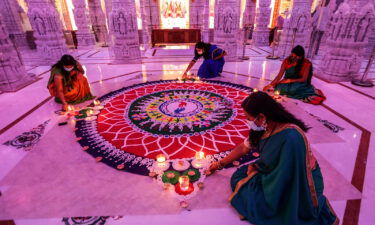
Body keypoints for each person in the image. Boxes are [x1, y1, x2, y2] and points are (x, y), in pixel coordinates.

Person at [206, 92, 339, 225]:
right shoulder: (264, 126)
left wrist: (257, 171)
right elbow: (243, 148)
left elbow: (287, 175)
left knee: (258, 200)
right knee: (239, 177)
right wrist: (219, 164)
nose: (247, 122)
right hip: (276, 172)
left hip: (300, 182)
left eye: (248, 118)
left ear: (262, 117)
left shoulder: (291, 136)